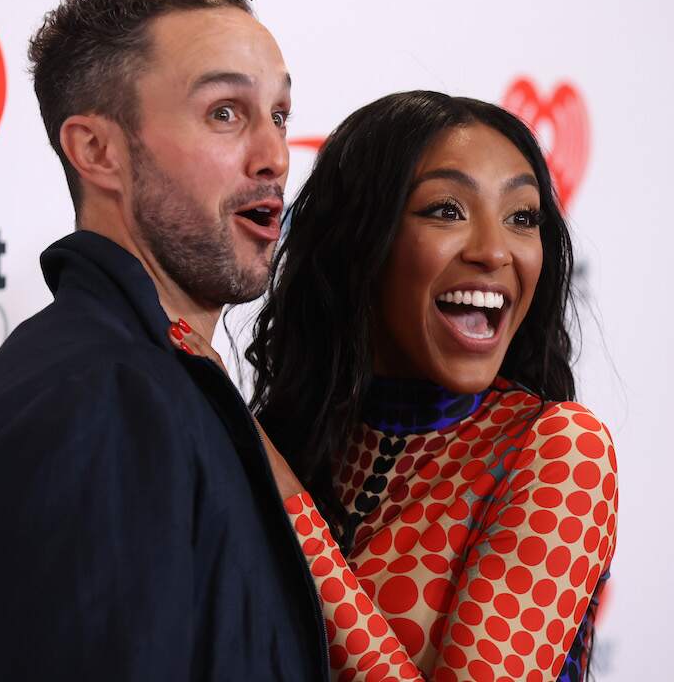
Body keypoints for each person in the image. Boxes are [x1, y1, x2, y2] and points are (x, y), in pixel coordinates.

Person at [0, 0, 328, 681]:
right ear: (97, 150)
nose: (275, 155)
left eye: (279, 115)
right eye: (225, 113)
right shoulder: (103, 398)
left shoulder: (157, 382)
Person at [248, 91, 618, 681]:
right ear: (360, 242)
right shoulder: (292, 436)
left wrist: (284, 499)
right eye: (447, 210)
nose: (495, 250)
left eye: (522, 217)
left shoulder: (562, 450)